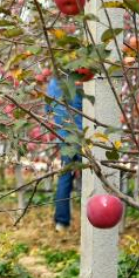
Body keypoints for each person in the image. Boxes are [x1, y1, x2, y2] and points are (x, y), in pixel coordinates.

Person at [46, 75, 83, 231]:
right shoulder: (81, 80)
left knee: (65, 177)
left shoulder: (53, 83)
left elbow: (48, 109)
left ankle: (61, 222)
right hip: (84, 136)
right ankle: (93, 220)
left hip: (65, 137)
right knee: (93, 176)